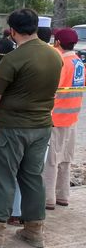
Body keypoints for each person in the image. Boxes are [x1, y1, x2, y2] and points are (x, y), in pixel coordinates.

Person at [0, 9, 63, 248]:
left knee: (1, 177)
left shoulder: (12, 59)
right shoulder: (54, 56)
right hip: (42, 127)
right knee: (32, 177)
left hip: (11, 128)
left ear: (12, 30)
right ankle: (34, 231)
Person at [43, 28, 84, 210]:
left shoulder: (60, 63)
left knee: (51, 160)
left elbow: (51, 90)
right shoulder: (79, 63)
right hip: (72, 118)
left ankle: (48, 199)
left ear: (57, 42)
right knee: (65, 158)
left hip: (56, 118)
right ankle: (63, 195)